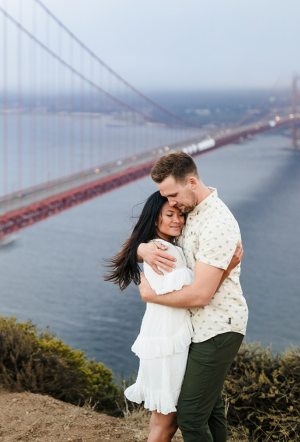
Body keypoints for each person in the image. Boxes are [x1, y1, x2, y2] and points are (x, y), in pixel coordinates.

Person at [104, 191, 242, 442]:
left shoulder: (156, 247)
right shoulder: (166, 252)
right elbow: (195, 295)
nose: (177, 219)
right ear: (154, 220)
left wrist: (141, 249)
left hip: (161, 338)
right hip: (168, 343)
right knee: (167, 423)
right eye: (169, 214)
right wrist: (227, 267)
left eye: (181, 214)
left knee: (160, 421)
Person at [136, 150, 248, 442]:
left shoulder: (217, 223)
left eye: (173, 194)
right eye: (166, 199)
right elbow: (158, 236)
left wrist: (150, 295)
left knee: (191, 415)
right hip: (196, 328)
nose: (171, 203)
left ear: (192, 183)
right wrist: (141, 249)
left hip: (217, 326)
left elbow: (200, 295)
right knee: (210, 412)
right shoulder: (188, 213)